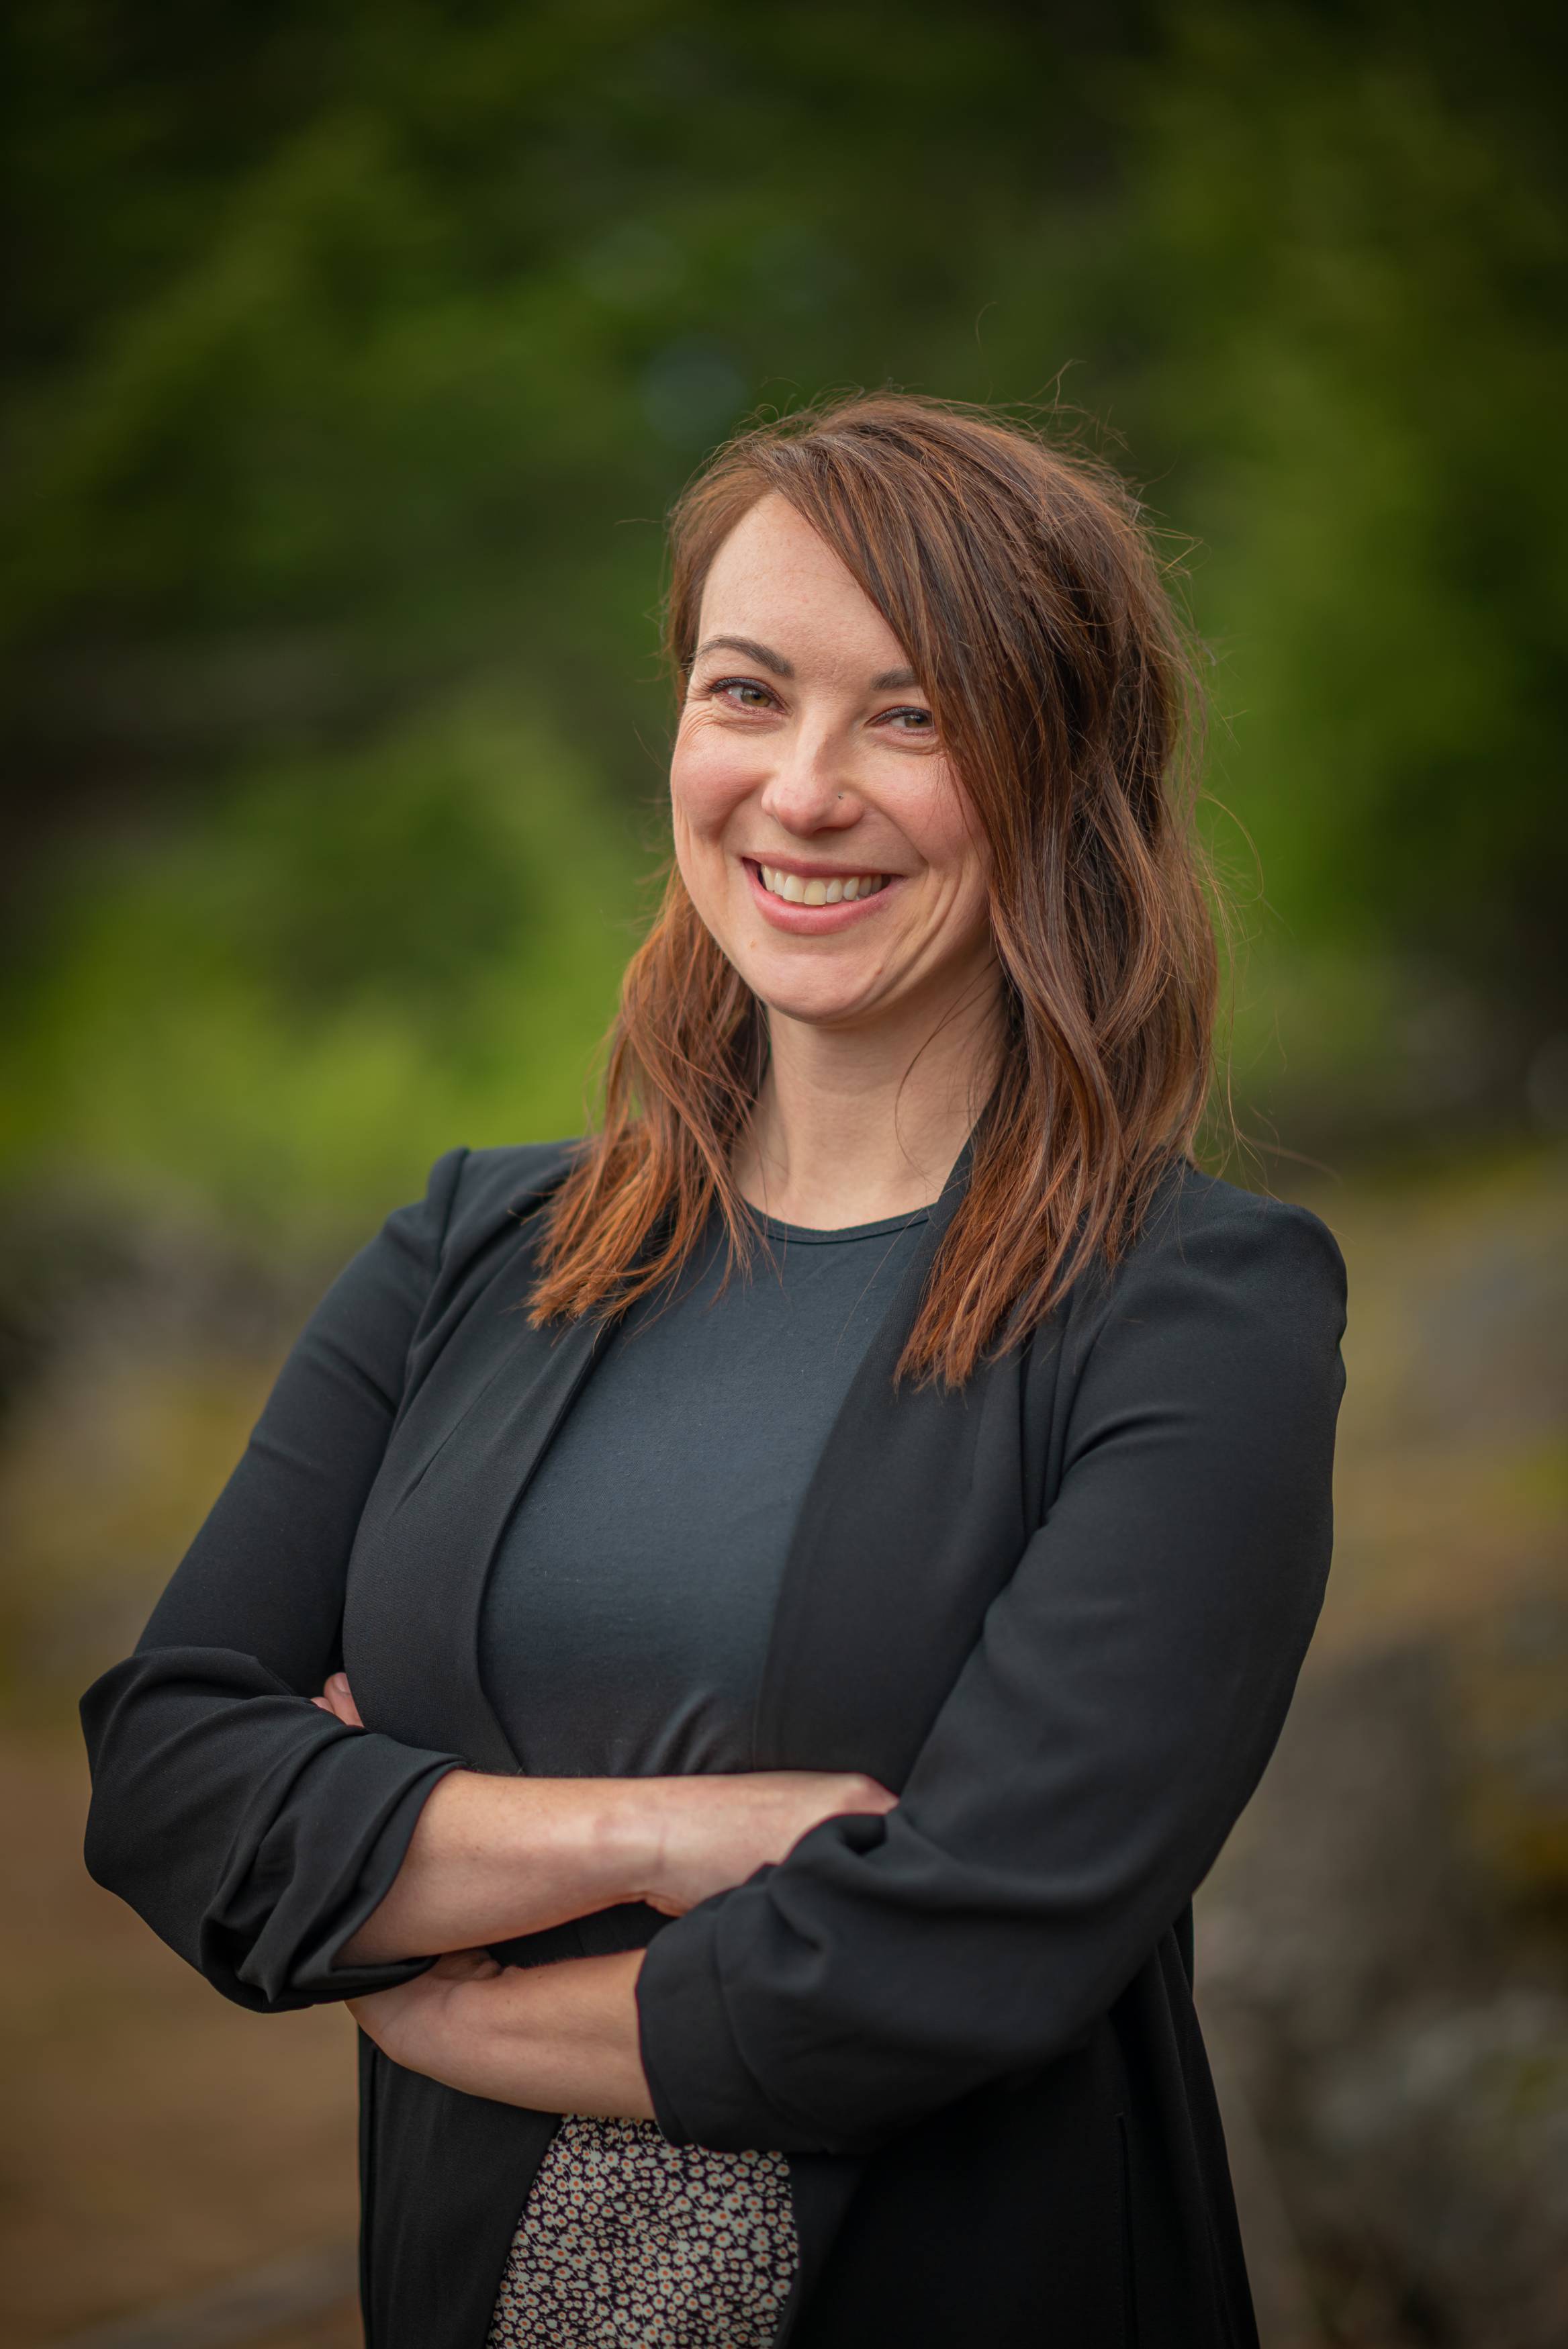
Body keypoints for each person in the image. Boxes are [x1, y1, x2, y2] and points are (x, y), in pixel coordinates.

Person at [81, 394, 1346, 2349]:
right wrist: (666, 1837)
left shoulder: (1198, 1308)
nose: (806, 788)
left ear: (1067, 778)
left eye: (913, 717)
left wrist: (441, 1978)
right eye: (748, 692)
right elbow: (172, 1780)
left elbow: (953, 1958)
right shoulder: (467, 1254)